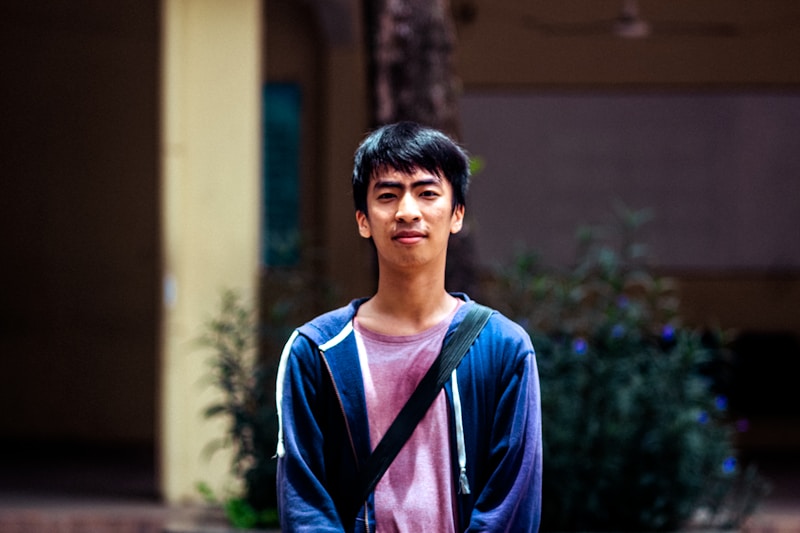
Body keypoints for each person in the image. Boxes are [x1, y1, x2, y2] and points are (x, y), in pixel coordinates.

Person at [275, 121, 542, 532]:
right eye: (387, 195)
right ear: (363, 219)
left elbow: (510, 505)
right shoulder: (316, 351)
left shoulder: (503, 349)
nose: (407, 211)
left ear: (457, 215)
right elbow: (305, 504)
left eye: (427, 192)